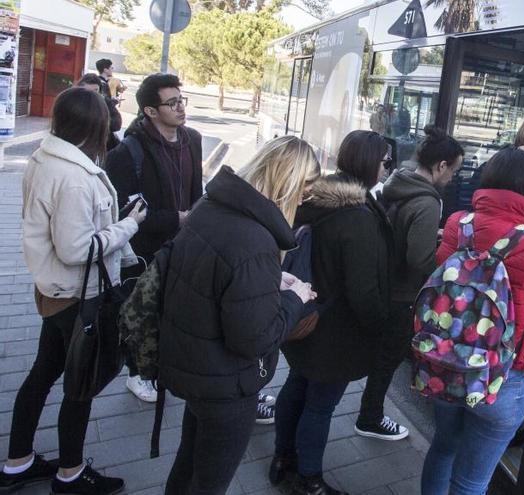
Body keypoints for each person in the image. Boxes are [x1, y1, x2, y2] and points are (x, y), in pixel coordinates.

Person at [1, 87, 146, 495]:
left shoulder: (46, 158)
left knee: (43, 373)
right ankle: (70, 474)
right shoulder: (74, 178)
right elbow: (77, 249)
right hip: (78, 297)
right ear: (97, 126)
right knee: (81, 385)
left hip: (54, 291)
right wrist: (130, 224)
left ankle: (18, 462)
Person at [161, 136, 320, 495]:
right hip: (225, 385)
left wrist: (269, 279)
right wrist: (294, 298)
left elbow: (214, 272)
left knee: (186, 465)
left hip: (192, 364)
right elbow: (254, 339)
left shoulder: (212, 204)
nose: (303, 200)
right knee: (209, 482)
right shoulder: (257, 238)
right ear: (288, 183)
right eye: (305, 190)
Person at [421, 147, 524, 495]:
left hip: (445, 364)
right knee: (471, 480)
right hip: (503, 379)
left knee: (443, 448)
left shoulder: (457, 225)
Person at [270, 130, 392, 495]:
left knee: (296, 385)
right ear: (370, 164)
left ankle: (282, 459)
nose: (390, 167)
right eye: (386, 161)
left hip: (304, 314)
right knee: (320, 404)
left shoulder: (317, 199)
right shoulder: (356, 217)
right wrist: (380, 326)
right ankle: (309, 480)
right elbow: (362, 290)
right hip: (336, 331)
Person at [355, 126, 463, 441]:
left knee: (381, 354)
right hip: (402, 294)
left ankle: (369, 413)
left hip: (383, 281)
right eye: (453, 170)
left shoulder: (397, 183)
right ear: (441, 166)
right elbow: (419, 259)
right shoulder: (428, 202)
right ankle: (370, 417)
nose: (453, 178)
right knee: (388, 359)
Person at [104, 73, 203, 405]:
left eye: (181, 99)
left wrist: (195, 220)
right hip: (144, 252)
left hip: (183, 246)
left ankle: (164, 365)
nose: (180, 107)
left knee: (174, 311)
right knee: (141, 311)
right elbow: (127, 213)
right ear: (149, 110)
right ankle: (136, 374)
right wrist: (178, 217)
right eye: (171, 103)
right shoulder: (128, 151)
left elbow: (196, 192)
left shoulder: (192, 139)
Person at [76, 73, 121, 150]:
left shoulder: (105, 102)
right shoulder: (74, 102)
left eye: (95, 91)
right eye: (88, 91)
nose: (92, 95)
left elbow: (117, 123)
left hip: (101, 144)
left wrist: (99, 122)